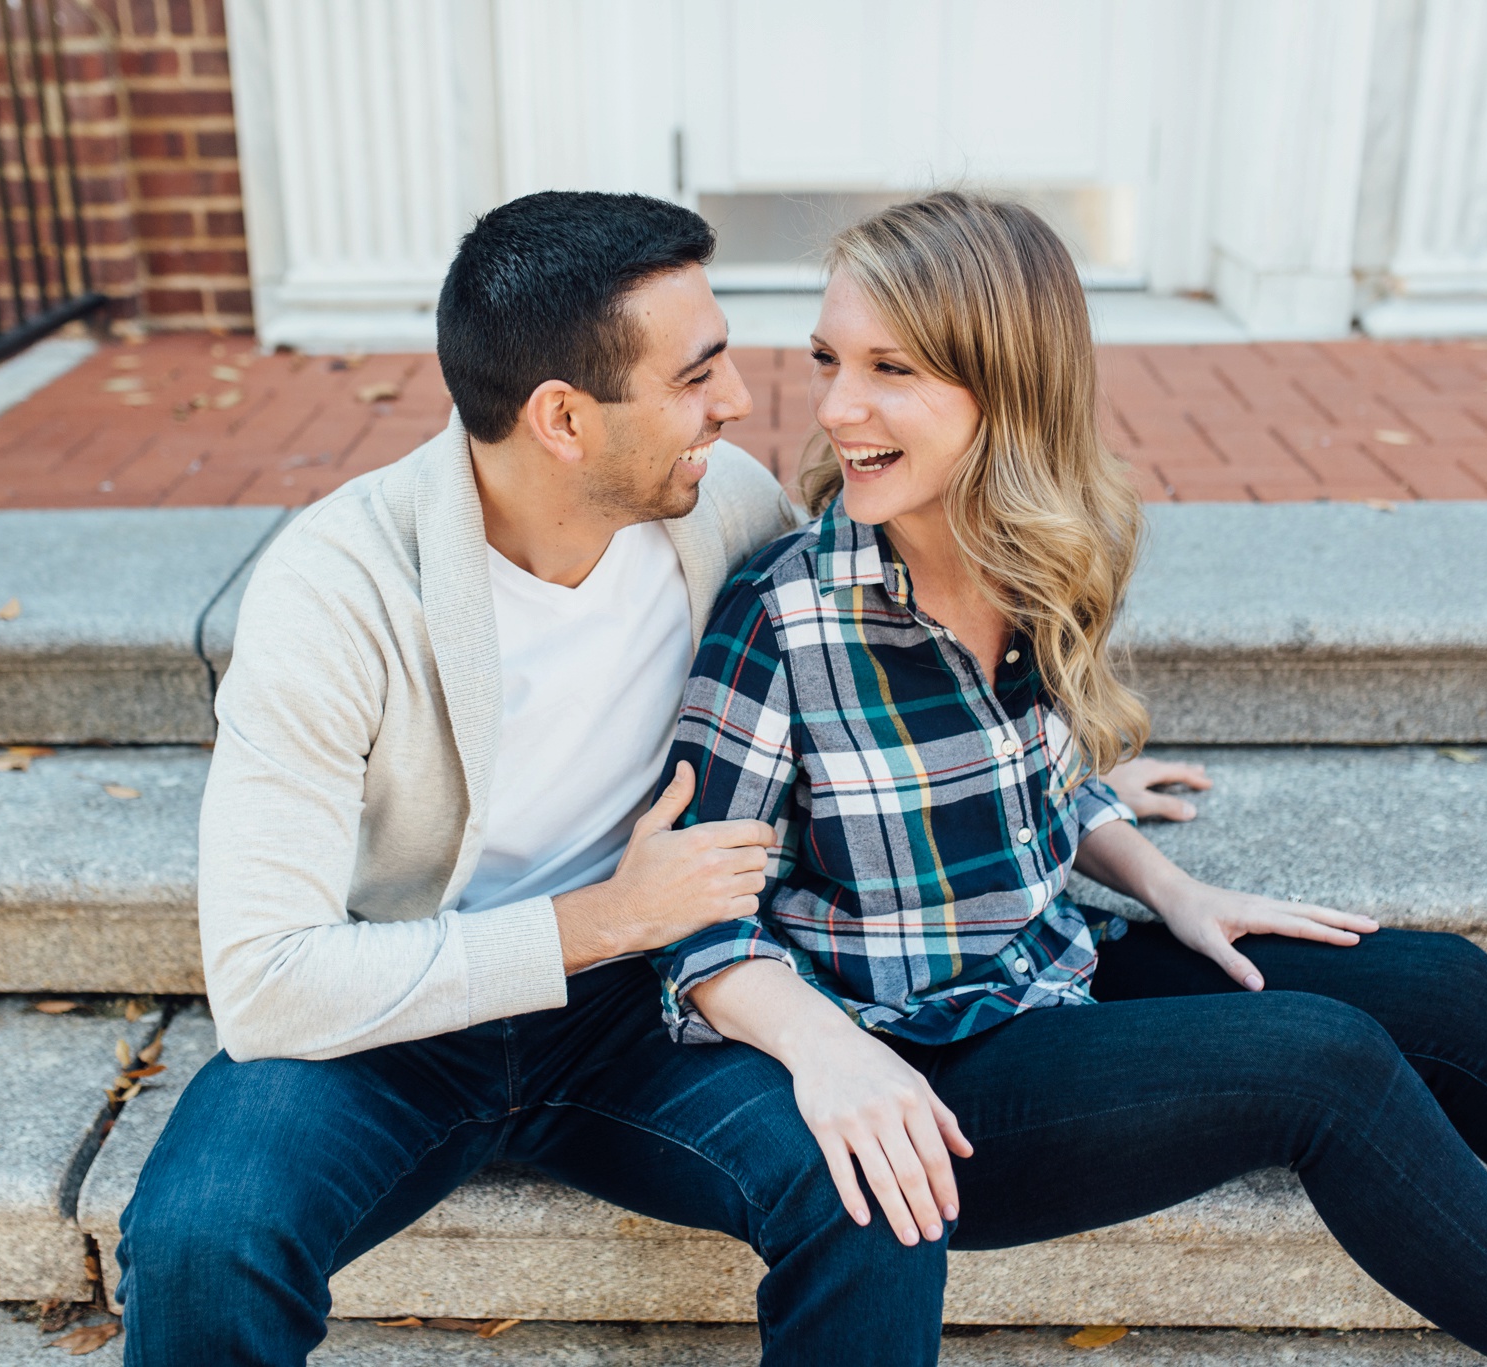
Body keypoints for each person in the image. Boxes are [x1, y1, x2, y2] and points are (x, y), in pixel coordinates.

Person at [653, 191, 1487, 1367]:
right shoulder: (786, 619)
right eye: (827, 359)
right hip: (925, 1077)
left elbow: (1028, 778)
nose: (836, 406)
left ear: (1007, 387)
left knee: (1440, 983)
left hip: (1046, 968)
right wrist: (824, 1052)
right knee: (1325, 1061)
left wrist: (1168, 886)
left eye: (888, 368)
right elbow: (692, 927)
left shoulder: (1036, 554)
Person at [114, 189, 1170, 1366]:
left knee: (868, 1194)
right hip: (397, 1009)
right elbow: (263, 981)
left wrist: (1066, 770)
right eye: (694, 376)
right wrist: (600, 915)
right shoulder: (336, 589)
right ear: (562, 418)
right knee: (200, 1239)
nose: (740, 403)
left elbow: (878, 680)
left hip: (643, 1007)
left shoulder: (716, 501)